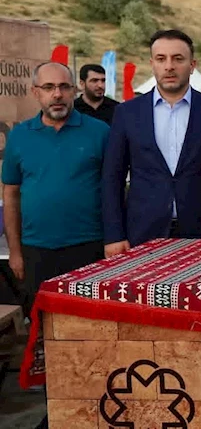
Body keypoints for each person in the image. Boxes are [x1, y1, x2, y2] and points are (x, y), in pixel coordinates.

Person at [102, 30, 201, 255]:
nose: (169, 66)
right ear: (152, 64)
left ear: (192, 65)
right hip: (142, 233)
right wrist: (114, 235)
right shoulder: (127, 113)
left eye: (178, 59)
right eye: (161, 59)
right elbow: (113, 177)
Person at [2, 62, 109, 309]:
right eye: (48, 87)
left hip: (89, 247)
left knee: (88, 321)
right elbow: (11, 195)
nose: (57, 94)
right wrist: (15, 252)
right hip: (36, 250)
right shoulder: (19, 136)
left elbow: (115, 190)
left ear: (74, 90)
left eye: (63, 87)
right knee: (42, 321)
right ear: (35, 92)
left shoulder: (100, 133)